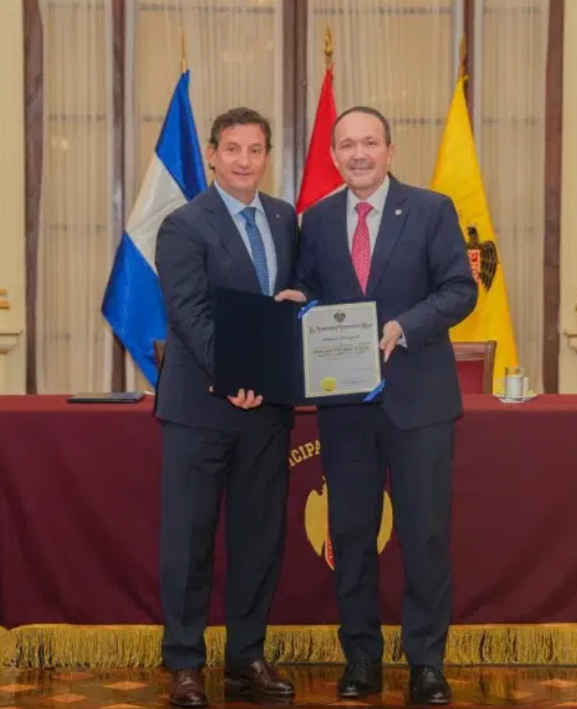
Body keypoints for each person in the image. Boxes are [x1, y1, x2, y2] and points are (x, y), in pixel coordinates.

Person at [277, 106, 477, 704]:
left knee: (425, 536)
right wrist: (296, 299)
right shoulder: (316, 219)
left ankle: (427, 663)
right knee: (351, 535)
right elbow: (313, 290)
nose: (359, 154)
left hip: (420, 402)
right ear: (334, 155)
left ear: (390, 149)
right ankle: (361, 659)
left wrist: (404, 326)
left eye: (369, 143)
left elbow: (460, 290)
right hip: (347, 407)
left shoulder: (431, 209)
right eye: (347, 145)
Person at [154, 107, 297, 707]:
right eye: (232, 149)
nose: (244, 160)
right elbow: (189, 315)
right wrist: (236, 376)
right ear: (212, 154)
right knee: (189, 540)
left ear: (267, 156)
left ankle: (247, 658)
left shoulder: (285, 218)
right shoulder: (183, 225)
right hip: (201, 409)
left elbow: (288, 300)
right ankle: (185, 662)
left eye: (255, 149)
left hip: (267, 411)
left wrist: (302, 302)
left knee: (259, 539)